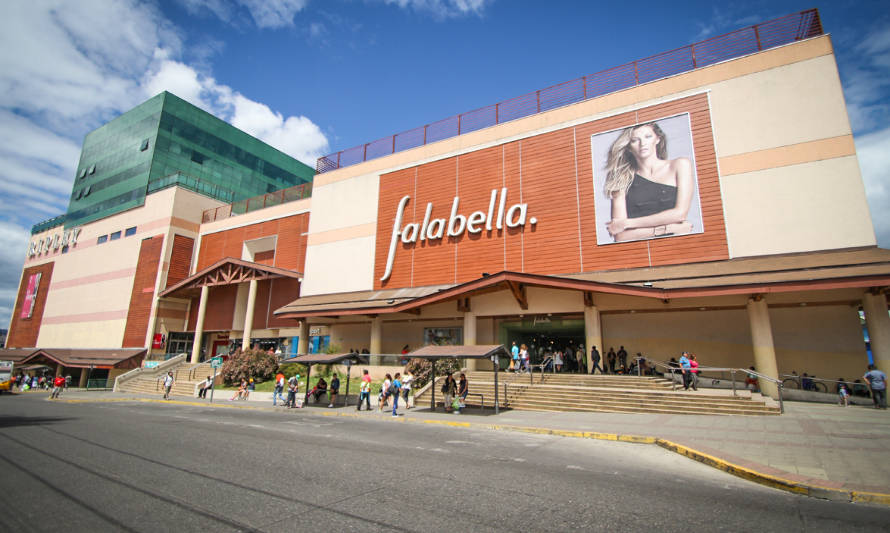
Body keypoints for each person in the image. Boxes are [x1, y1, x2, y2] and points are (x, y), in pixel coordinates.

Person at [602, 121, 695, 242]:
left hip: (678, 247)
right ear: (629, 146)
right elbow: (620, 236)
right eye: (635, 140)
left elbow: (680, 214)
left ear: (658, 139)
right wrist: (668, 229)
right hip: (640, 251)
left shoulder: (680, 165)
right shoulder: (620, 178)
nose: (642, 144)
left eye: (648, 137)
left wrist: (627, 223)